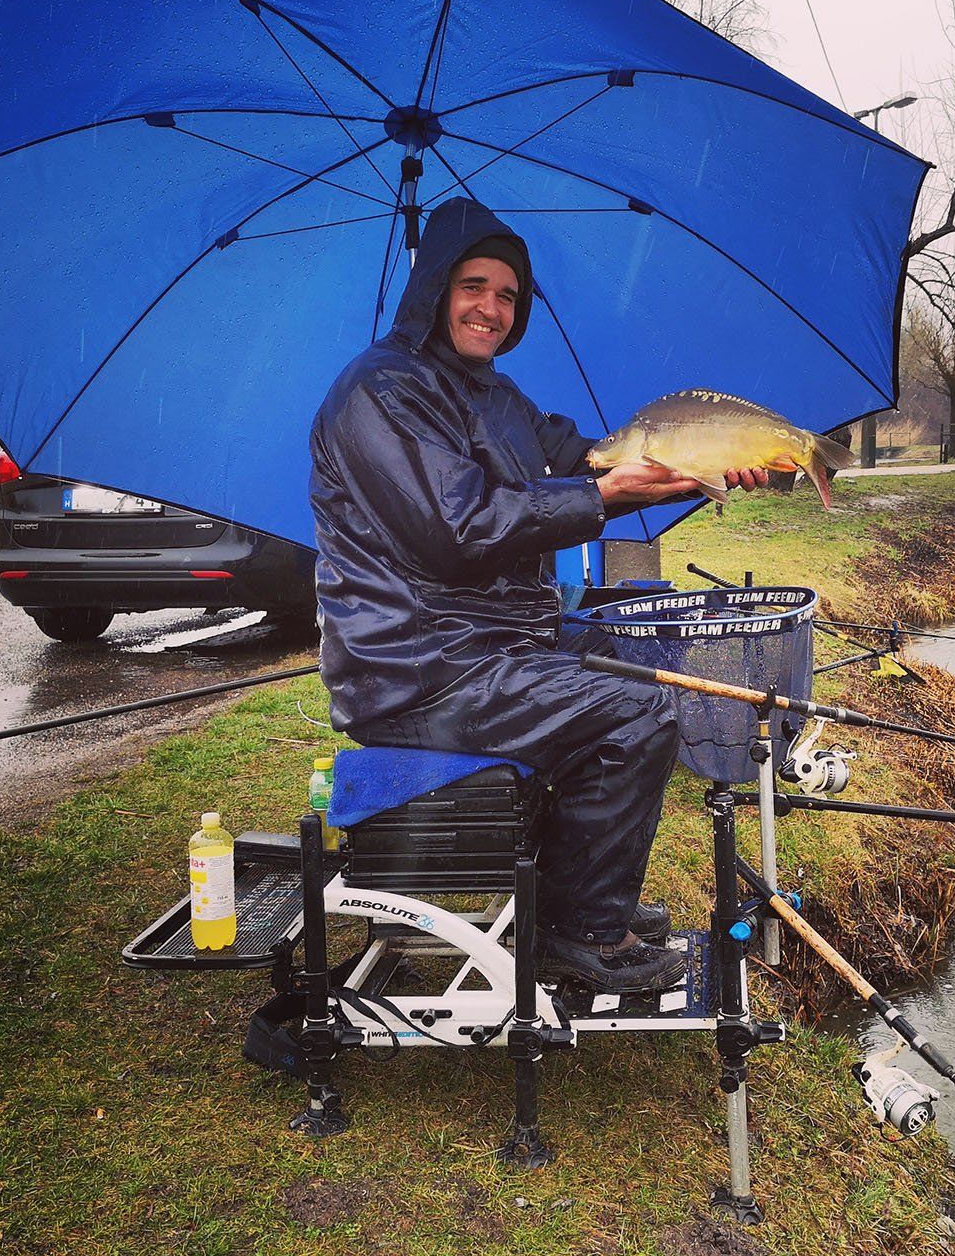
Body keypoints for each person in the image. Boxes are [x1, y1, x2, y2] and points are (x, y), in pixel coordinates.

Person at [309, 198, 765, 994]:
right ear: (433, 288)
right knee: (638, 711)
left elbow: (592, 457)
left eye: (509, 295)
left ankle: (576, 893)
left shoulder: (497, 397)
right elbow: (455, 528)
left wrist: (714, 456)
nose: (491, 307)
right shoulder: (379, 392)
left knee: (633, 670)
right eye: (473, 285)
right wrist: (605, 496)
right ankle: (577, 933)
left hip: (488, 648)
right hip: (417, 667)